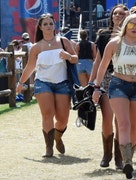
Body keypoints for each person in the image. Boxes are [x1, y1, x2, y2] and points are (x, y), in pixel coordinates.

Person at [92, 13, 136, 179]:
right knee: (123, 123)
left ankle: (129, 160)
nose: (135, 28)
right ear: (125, 25)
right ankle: (126, 160)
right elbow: (102, 65)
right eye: (131, 24)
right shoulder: (114, 43)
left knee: (134, 125)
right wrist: (97, 87)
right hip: (118, 85)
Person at [16, 13, 78, 157]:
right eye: (45, 24)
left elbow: (75, 59)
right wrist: (21, 83)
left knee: (62, 119)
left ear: (54, 25)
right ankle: (48, 148)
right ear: (40, 27)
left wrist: (68, 56)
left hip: (63, 83)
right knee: (47, 114)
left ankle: (58, 136)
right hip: (43, 83)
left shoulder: (63, 41)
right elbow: (30, 67)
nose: (49, 26)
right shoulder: (36, 47)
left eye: (51, 23)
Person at [89, 4, 128, 169]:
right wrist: (92, 82)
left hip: (125, 77)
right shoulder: (104, 35)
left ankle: (119, 157)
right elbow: (98, 60)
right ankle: (107, 154)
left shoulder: (131, 35)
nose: (118, 16)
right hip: (105, 77)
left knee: (121, 120)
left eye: (121, 13)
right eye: (115, 13)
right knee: (107, 117)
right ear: (111, 16)